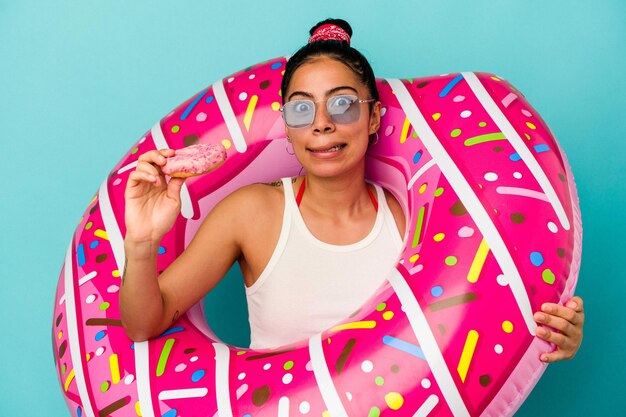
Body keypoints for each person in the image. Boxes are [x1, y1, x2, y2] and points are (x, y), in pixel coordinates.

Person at [119, 18, 584, 362]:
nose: (322, 124)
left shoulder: (411, 224)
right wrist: (141, 242)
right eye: (301, 110)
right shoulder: (252, 213)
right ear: (286, 125)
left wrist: (550, 334)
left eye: (342, 104)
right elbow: (144, 324)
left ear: (374, 117)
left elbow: (469, 329)